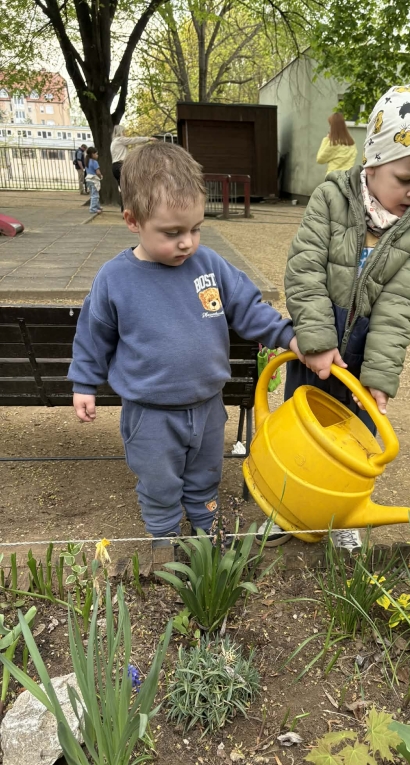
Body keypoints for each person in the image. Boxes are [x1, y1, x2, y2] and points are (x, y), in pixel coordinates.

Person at [68, 141, 301, 552]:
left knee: (205, 476)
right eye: (172, 233)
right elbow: (93, 334)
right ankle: (162, 541)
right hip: (150, 413)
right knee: (159, 481)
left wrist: (288, 335)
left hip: (208, 405)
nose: (187, 243)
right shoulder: (115, 279)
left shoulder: (209, 265)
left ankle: (205, 534)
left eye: (195, 229)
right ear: (132, 220)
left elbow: (248, 309)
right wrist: (84, 383)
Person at [284, 85, 410, 546]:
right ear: (372, 164)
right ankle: (290, 503)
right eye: (405, 179)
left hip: (365, 347)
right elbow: (304, 271)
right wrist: (315, 340)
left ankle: (338, 515)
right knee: (305, 425)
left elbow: (401, 306)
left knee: (355, 435)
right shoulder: (331, 198)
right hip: (318, 337)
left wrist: (378, 374)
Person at [111, 125, 153, 210]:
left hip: (115, 166)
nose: (125, 133)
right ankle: (128, 208)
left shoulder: (113, 142)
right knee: (128, 187)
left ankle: (125, 209)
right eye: (124, 132)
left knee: (124, 188)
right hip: (120, 165)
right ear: (121, 132)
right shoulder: (120, 140)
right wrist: (148, 139)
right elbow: (133, 140)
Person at [84, 147, 102, 214]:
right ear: (92, 154)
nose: (97, 155)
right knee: (95, 195)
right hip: (94, 179)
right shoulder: (95, 162)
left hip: (88, 179)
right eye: (96, 154)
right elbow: (98, 172)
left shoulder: (87, 161)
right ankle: (93, 209)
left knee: (93, 194)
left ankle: (97, 206)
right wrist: (100, 176)